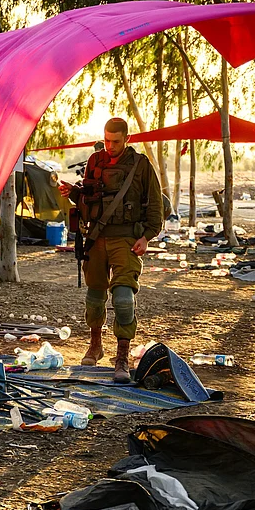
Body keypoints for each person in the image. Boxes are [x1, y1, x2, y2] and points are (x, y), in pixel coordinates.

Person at [59, 117, 163, 380]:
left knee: (124, 300)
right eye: (106, 140)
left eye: (115, 141)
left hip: (127, 239)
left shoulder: (140, 165)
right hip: (96, 237)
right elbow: (88, 196)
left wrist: (148, 237)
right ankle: (95, 346)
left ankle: (122, 358)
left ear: (127, 139)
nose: (110, 145)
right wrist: (73, 192)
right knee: (94, 298)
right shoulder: (95, 161)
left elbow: (154, 206)